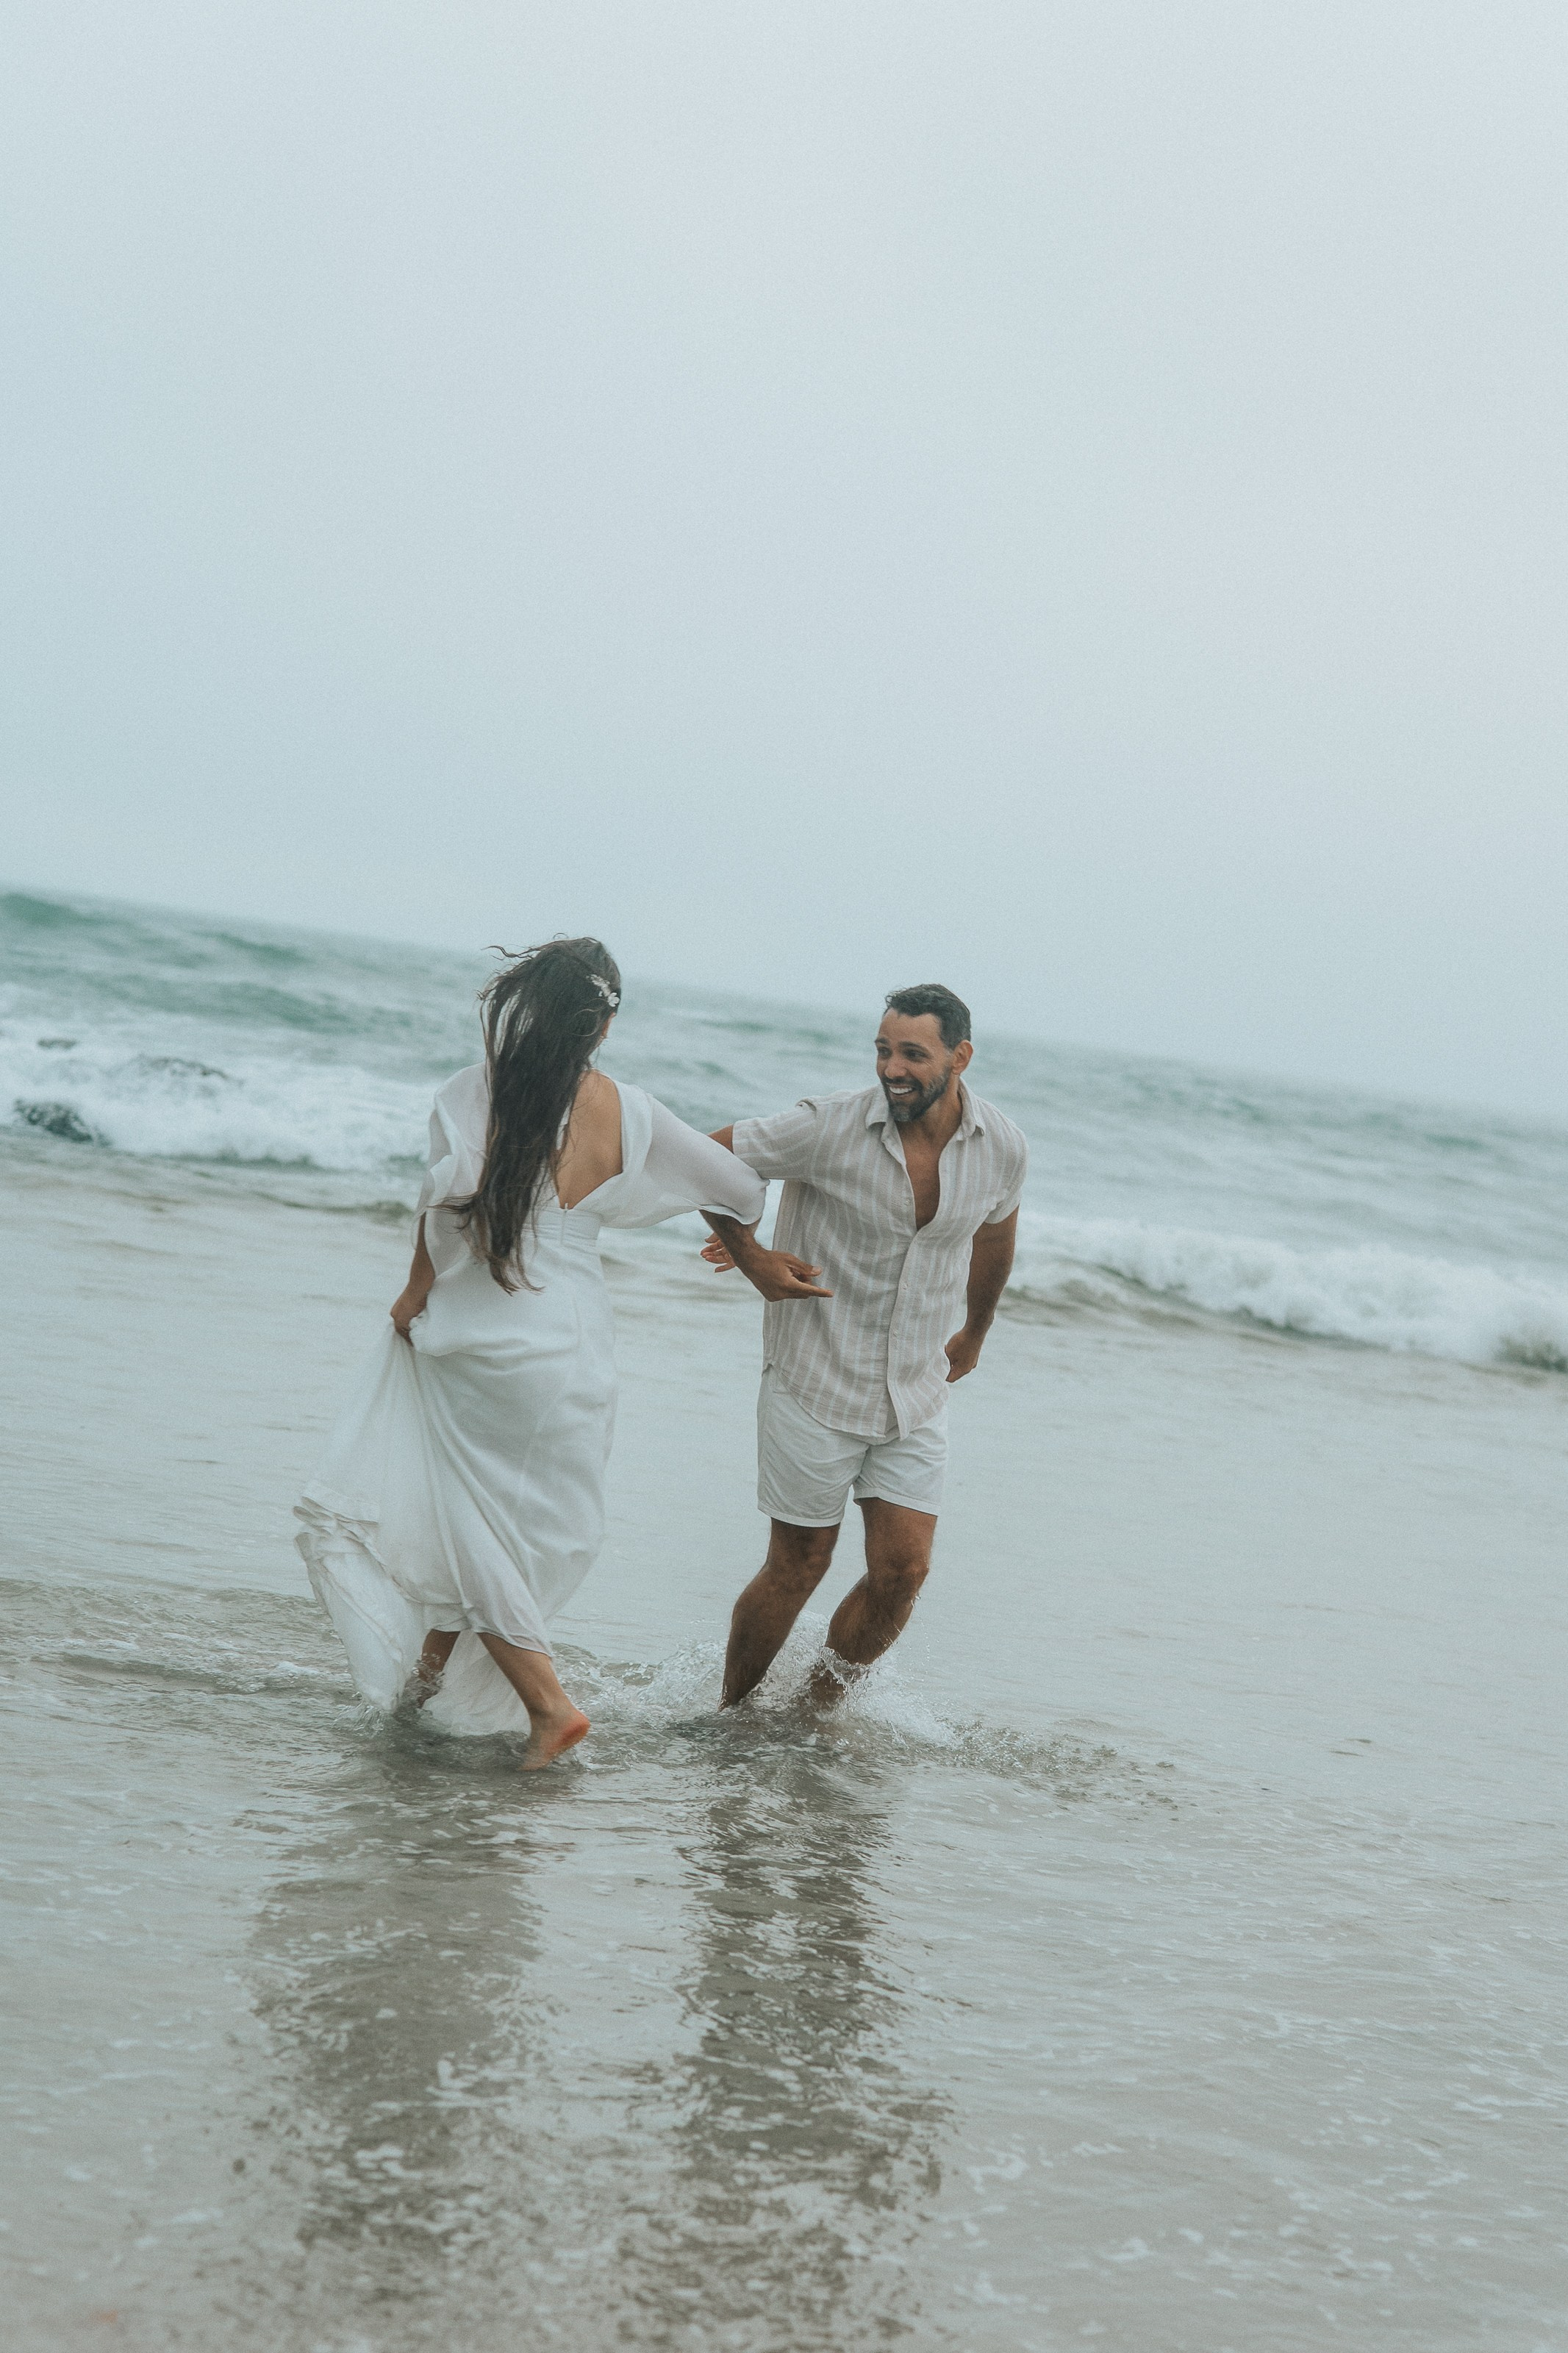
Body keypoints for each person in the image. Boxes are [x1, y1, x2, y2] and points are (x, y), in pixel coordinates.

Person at [294, 938, 765, 1768]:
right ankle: (426, 1685)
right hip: (578, 1342)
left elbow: (446, 1205)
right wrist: (745, 1251)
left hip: (491, 1331)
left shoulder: (477, 1089)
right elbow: (740, 1187)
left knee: (467, 1511)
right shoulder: (634, 1109)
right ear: (604, 1024)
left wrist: (412, 1297)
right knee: (493, 1520)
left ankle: (549, 1706)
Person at [699, 982, 1027, 1709]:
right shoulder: (829, 1126)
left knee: (903, 1570)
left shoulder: (1001, 1146)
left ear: (960, 1056)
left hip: (916, 1384)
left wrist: (976, 1330)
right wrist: (749, 1253)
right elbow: (709, 1157)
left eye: (914, 1052)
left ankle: (814, 1713)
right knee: (800, 1562)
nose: (893, 1068)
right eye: (884, 1050)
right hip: (815, 1372)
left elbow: (997, 1237)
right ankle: (729, 1714)